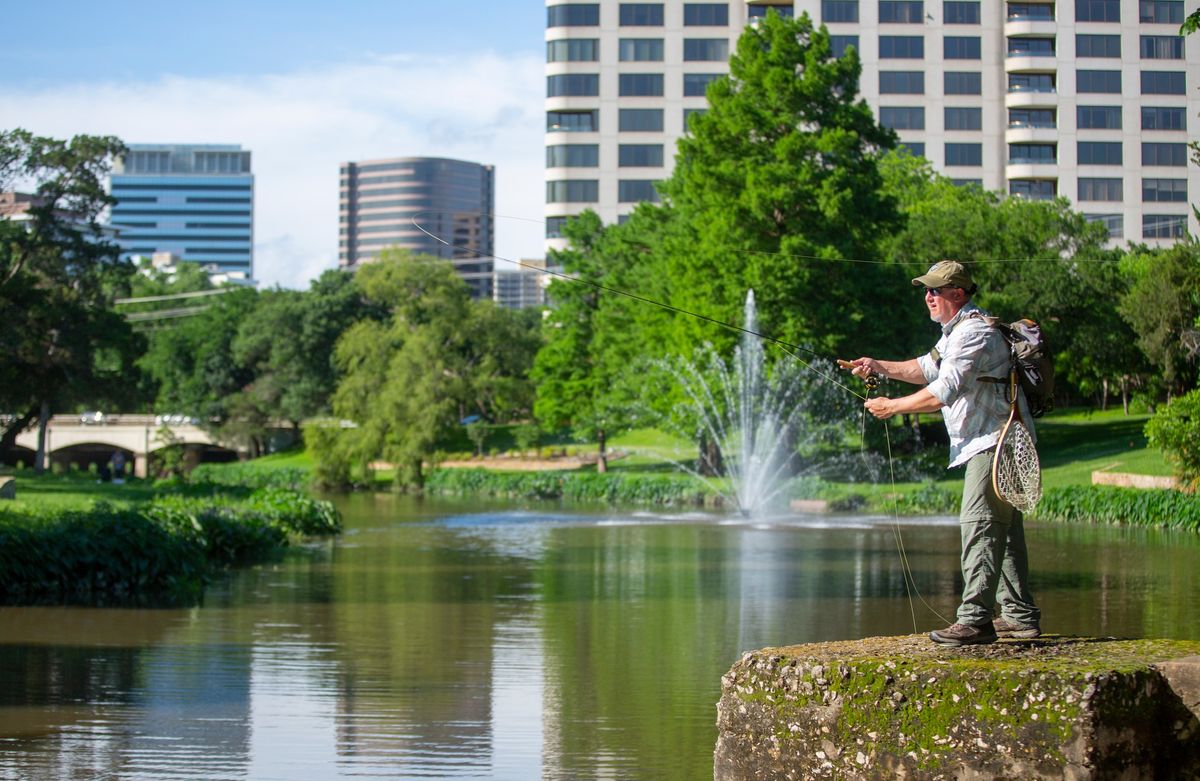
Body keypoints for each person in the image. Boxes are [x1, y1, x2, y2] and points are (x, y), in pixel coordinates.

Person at [838, 260, 1041, 646]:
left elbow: (942, 391)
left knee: (979, 523)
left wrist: (892, 406)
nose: (928, 297)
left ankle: (975, 621)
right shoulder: (956, 333)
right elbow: (925, 368)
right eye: (926, 290)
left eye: (935, 290)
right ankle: (1019, 616)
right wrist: (878, 365)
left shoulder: (974, 333)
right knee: (1006, 531)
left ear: (958, 293)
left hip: (995, 442)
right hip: (999, 441)